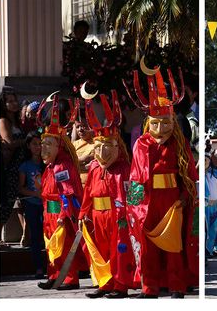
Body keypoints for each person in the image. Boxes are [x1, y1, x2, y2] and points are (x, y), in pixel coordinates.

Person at [124, 64, 198, 298]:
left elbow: (188, 174)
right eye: (155, 124)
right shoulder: (141, 144)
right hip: (148, 201)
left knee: (173, 245)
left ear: (173, 122)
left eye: (165, 123)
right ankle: (150, 287)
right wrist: (135, 208)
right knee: (149, 248)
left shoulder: (180, 144)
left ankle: (177, 285)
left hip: (172, 199)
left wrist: (185, 197)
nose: (160, 129)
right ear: (148, 123)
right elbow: (135, 177)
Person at [79, 91, 135, 298]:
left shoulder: (124, 169)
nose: (102, 153)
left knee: (118, 249)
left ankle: (120, 285)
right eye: (98, 147)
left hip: (116, 215)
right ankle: (105, 283)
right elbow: (88, 193)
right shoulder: (94, 167)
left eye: (107, 147)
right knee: (101, 249)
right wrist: (83, 213)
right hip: (97, 214)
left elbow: (130, 194)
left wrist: (127, 214)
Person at [36, 95, 86, 291]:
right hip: (49, 210)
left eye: (49, 144)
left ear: (59, 146)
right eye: (43, 143)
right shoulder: (50, 165)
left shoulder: (62, 165)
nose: (43, 147)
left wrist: (64, 215)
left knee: (64, 245)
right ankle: (54, 275)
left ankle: (69, 278)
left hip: (60, 212)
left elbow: (68, 193)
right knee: (51, 244)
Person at [0, 88, 27, 243]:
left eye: (15, 100)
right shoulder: (3, 121)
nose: (14, 103)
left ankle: (26, 235)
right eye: (9, 101)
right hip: (11, 168)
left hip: (22, 166)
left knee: (24, 202)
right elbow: (9, 143)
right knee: (7, 203)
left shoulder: (19, 121)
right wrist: (27, 140)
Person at [18, 131, 46, 278]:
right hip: (32, 204)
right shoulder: (25, 166)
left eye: (40, 143)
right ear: (28, 146)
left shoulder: (47, 163)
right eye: (34, 144)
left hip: (48, 204)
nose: (38, 147)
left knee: (49, 234)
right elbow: (20, 187)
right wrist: (35, 194)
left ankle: (52, 265)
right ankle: (39, 267)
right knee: (35, 236)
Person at [205, 134, 217, 257]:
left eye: (206, 160)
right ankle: (205, 251)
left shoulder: (216, 174)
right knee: (205, 229)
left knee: (213, 229)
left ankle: (210, 250)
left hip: (215, 204)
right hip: (205, 206)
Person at [72, 115, 95, 185]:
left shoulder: (97, 143)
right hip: (76, 185)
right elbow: (70, 163)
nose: (80, 129)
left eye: (84, 125)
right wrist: (83, 159)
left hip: (91, 185)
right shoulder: (74, 144)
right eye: (77, 127)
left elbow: (93, 164)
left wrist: (76, 161)